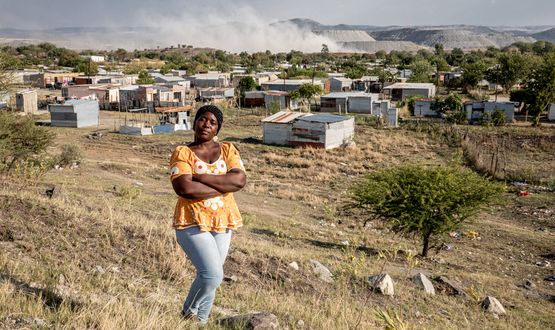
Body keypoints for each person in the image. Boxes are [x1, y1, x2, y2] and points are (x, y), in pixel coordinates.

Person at [169, 105, 246, 325]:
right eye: (203, 119)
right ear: (194, 123)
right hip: (191, 221)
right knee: (213, 275)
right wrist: (224, 186)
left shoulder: (228, 150)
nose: (207, 125)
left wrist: (199, 176)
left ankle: (200, 322)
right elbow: (184, 189)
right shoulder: (183, 153)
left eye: (213, 122)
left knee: (210, 278)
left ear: (218, 128)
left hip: (222, 222)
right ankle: (188, 313)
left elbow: (239, 180)